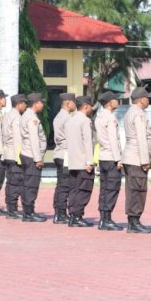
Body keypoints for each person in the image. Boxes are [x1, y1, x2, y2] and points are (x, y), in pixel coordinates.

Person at [122, 86, 151, 233]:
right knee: (138, 189)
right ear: (141, 99)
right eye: (147, 98)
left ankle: (133, 221)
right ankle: (134, 221)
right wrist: (145, 160)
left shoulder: (130, 112)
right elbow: (142, 138)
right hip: (137, 157)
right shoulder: (139, 114)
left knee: (132, 189)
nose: (149, 100)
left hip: (131, 156)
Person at [95, 91, 124, 231]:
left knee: (104, 187)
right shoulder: (110, 118)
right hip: (112, 157)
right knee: (112, 188)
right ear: (110, 103)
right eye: (115, 100)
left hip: (103, 156)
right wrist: (118, 158)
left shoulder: (99, 116)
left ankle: (103, 218)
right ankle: (107, 219)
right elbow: (113, 140)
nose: (117, 102)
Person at [66, 96, 96, 227]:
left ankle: (73, 215)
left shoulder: (69, 120)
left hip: (73, 161)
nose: (91, 109)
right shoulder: (85, 120)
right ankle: (77, 216)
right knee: (83, 190)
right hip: (83, 162)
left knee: (74, 189)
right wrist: (90, 161)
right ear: (85, 106)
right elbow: (87, 142)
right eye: (90, 106)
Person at [19, 93, 48, 222]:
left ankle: (27, 211)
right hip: (32, 155)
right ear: (35, 103)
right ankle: (29, 212)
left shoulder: (27, 115)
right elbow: (34, 139)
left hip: (27, 154)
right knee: (31, 185)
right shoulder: (32, 118)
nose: (42, 104)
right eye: (41, 102)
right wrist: (38, 158)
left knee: (27, 183)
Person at [51, 92, 76, 224]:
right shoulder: (67, 118)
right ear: (68, 103)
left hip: (60, 153)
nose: (75, 105)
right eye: (73, 102)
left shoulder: (60, 116)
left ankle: (59, 212)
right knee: (64, 185)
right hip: (65, 154)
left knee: (61, 184)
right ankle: (60, 213)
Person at [2, 94, 27, 219]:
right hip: (15, 154)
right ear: (19, 104)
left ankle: (10, 208)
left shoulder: (7, 115)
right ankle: (12, 210)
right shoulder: (17, 117)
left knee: (11, 182)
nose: (25, 106)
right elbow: (18, 138)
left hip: (8, 152)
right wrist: (20, 157)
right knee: (16, 183)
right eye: (24, 103)